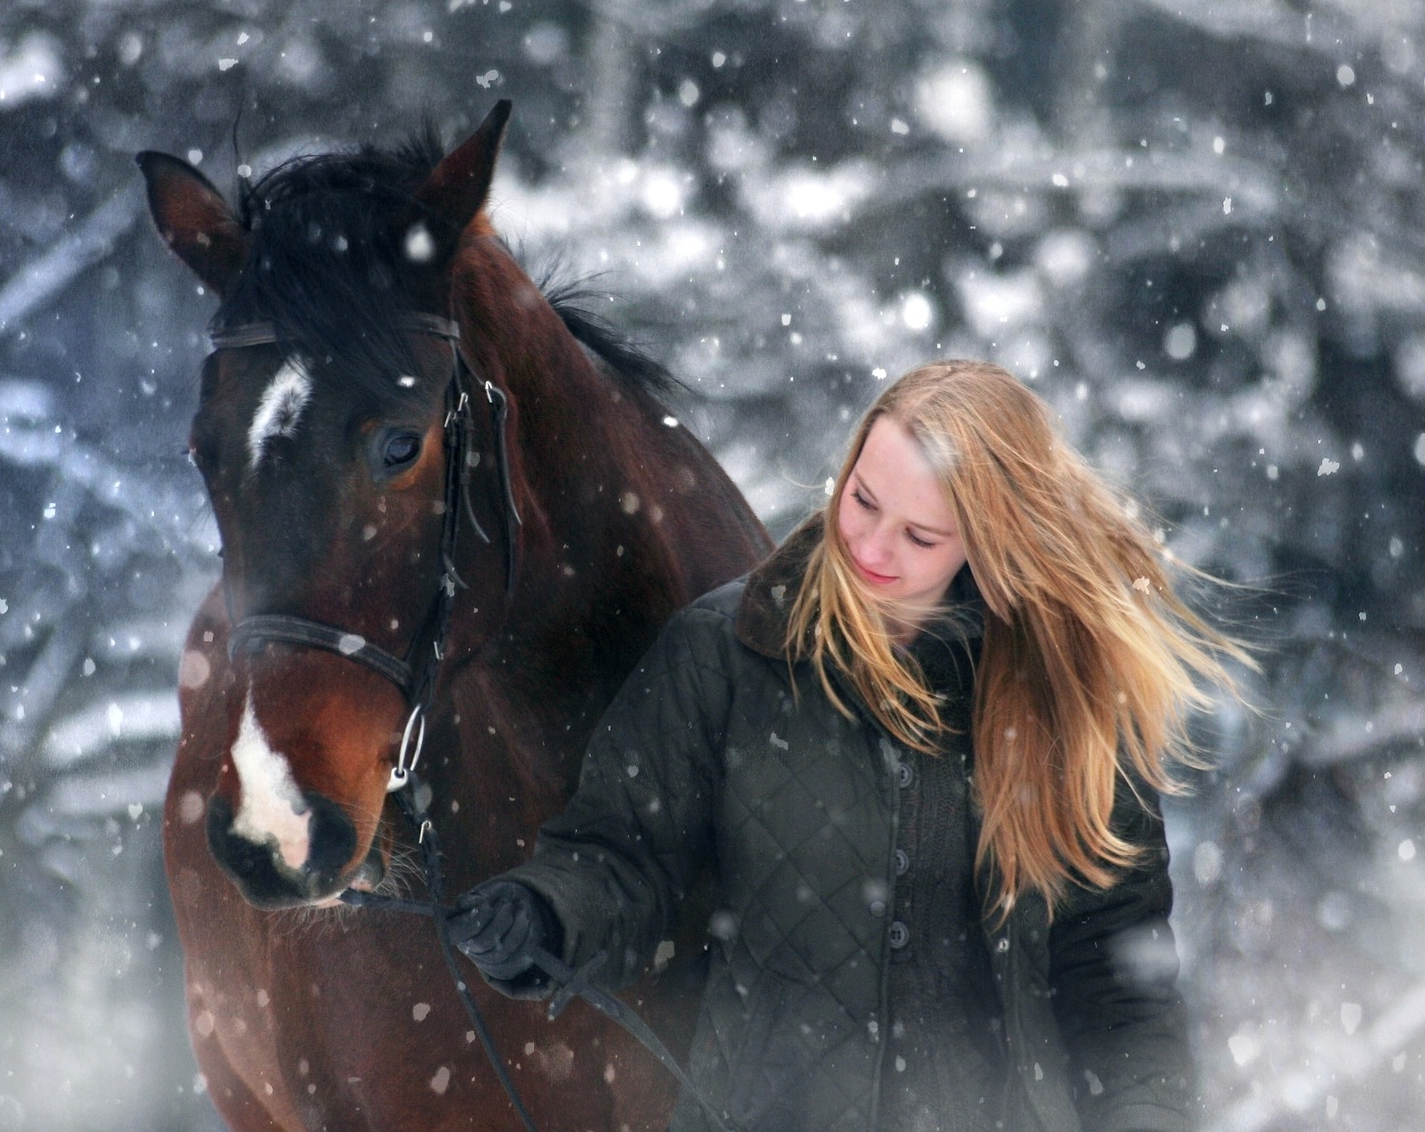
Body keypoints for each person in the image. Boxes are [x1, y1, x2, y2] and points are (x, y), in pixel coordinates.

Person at [446, 359, 1250, 1132]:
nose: (869, 549)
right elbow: (625, 859)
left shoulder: (1068, 703)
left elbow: (1120, 989)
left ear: (991, 545)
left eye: (920, 536)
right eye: (862, 501)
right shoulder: (727, 652)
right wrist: (546, 912)